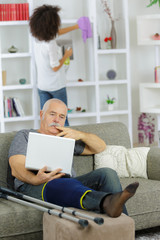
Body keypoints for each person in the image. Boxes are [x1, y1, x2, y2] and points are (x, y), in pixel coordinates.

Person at [8, 99, 139, 218]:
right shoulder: (25, 135)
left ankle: (124, 226)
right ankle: (107, 202)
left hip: (68, 183)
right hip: (33, 186)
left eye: (61, 116)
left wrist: (80, 134)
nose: (56, 120)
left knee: (107, 173)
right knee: (64, 183)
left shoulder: (65, 137)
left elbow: (100, 147)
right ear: (42, 114)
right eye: (52, 114)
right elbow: (16, 166)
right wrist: (35, 179)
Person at [29, 5, 80, 126]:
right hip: (56, 86)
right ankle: (68, 144)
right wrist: (66, 55)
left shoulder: (36, 38)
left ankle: (48, 143)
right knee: (62, 120)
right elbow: (55, 66)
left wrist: (75, 26)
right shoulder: (50, 43)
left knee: (46, 120)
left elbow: (56, 33)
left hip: (42, 86)